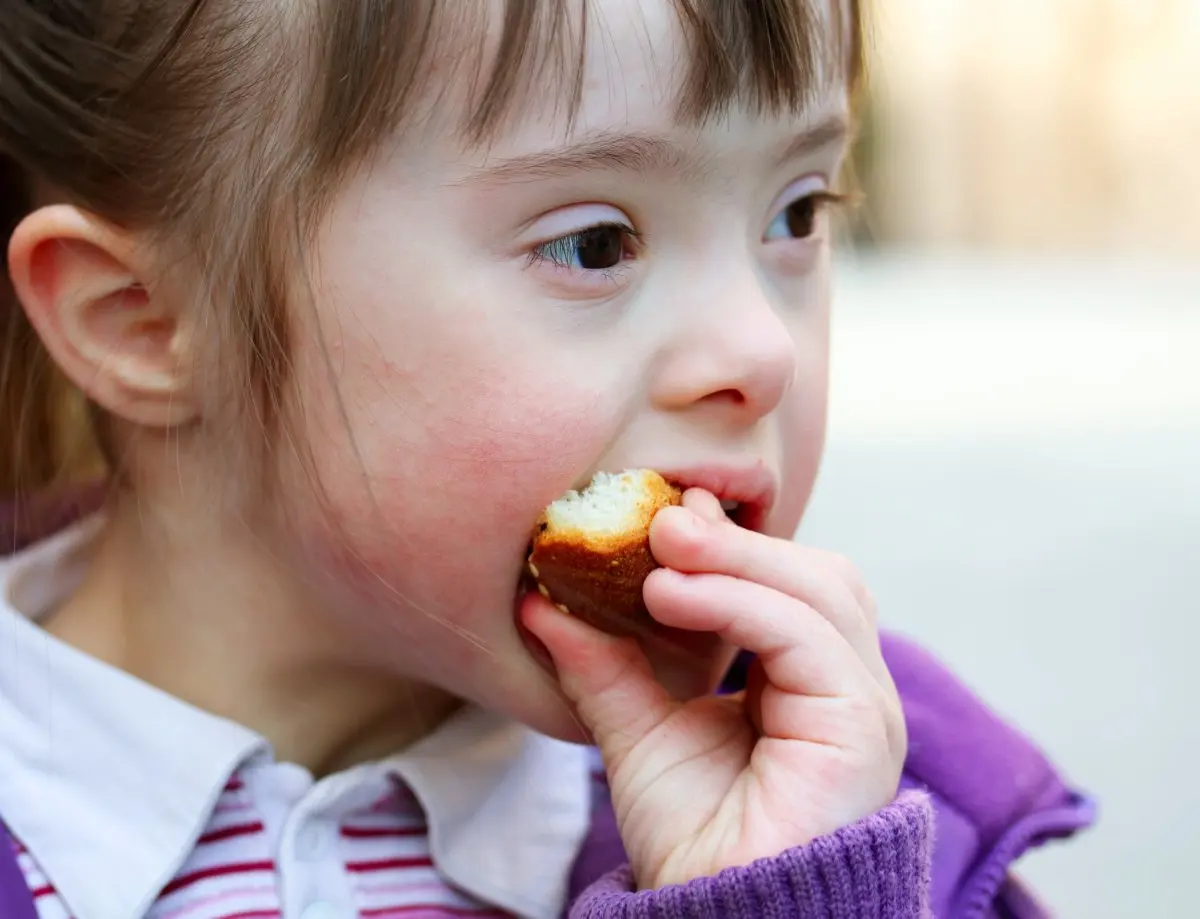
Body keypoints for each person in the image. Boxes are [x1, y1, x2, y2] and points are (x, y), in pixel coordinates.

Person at [0, 1, 1095, 917]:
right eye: (595, 243)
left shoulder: (868, 823)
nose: (763, 349)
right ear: (140, 322)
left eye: (797, 211)